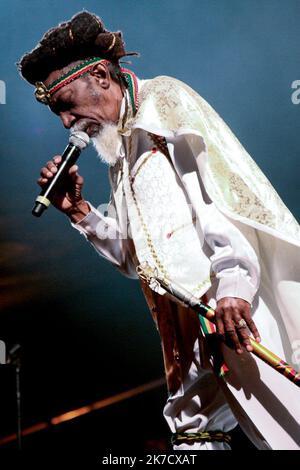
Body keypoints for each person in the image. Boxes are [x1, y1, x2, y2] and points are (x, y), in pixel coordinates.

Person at [18, 11, 300, 450]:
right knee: (193, 430)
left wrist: (233, 289)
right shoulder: (119, 145)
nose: (67, 122)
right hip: (178, 319)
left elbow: (219, 201)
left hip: (226, 306)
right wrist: (79, 212)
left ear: (99, 76)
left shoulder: (162, 103)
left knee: (286, 426)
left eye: (67, 104)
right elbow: (135, 259)